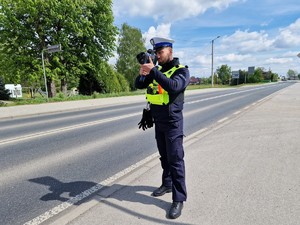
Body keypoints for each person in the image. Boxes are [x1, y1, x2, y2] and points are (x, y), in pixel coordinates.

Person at [135, 37, 190, 219]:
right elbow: (138, 84)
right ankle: (167, 184)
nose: (157, 56)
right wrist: (144, 72)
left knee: (175, 160)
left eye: (161, 52)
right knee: (164, 157)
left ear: (170, 52)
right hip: (158, 121)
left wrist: (154, 71)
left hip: (173, 123)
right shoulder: (155, 70)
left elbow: (174, 87)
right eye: (156, 53)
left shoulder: (181, 71)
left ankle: (178, 198)